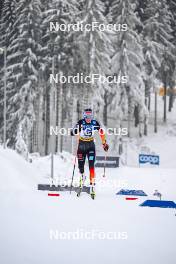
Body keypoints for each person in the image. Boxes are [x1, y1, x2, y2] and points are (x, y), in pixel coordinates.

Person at [71, 108, 109, 197]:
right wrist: (74, 131)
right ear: (84, 115)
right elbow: (73, 131)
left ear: (92, 116)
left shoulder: (94, 123)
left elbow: (101, 133)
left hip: (90, 145)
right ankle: (82, 178)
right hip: (81, 145)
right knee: (81, 165)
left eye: (90, 115)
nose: (88, 117)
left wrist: (104, 143)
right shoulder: (81, 122)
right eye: (86, 115)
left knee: (91, 165)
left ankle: (92, 184)